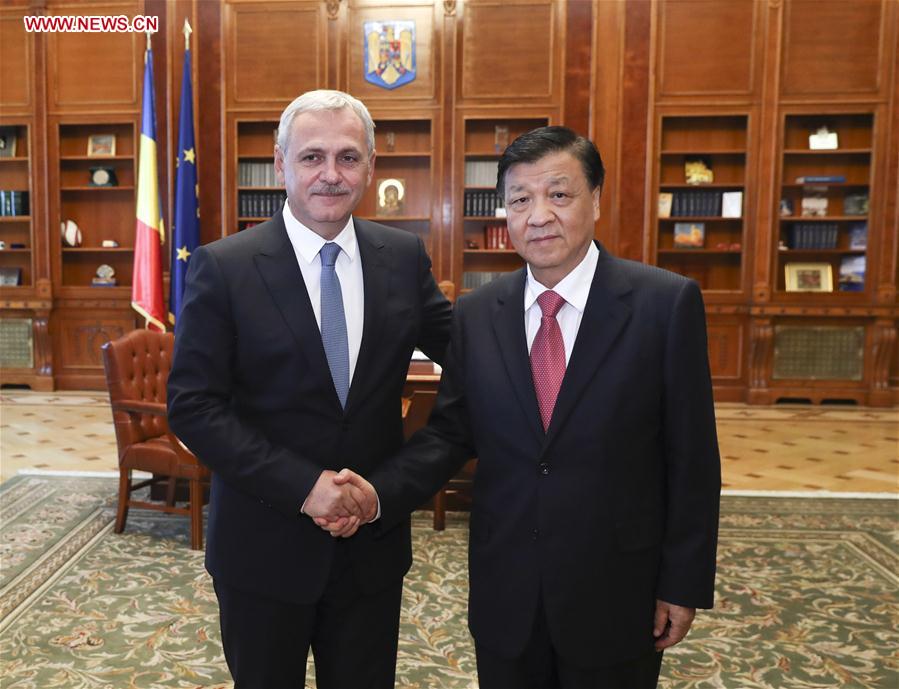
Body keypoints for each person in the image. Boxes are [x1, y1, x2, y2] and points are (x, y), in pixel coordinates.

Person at [321, 125, 721, 689]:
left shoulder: (664, 304)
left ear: (596, 200)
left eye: (559, 194)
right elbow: (450, 435)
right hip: (506, 590)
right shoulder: (479, 313)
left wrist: (681, 584)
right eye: (520, 200)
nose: (539, 216)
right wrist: (374, 495)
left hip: (616, 588)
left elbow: (694, 461)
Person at [166, 89, 452, 689]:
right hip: (262, 549)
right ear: (280, 165)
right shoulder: (226, 266)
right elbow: (194, 407)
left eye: (349, 158)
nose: (330, 174)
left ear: (371, 168)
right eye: (312, 156)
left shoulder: (402, 258)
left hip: (371, 549)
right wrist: (304, 487)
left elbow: (472, 360)